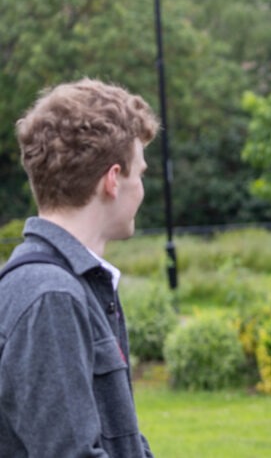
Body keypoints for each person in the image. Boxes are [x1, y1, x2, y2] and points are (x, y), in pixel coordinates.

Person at [0, 78, 159, 457]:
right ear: (112, 180)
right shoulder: (50, 296)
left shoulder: (68, 284)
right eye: (139, 174)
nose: (141, 188)